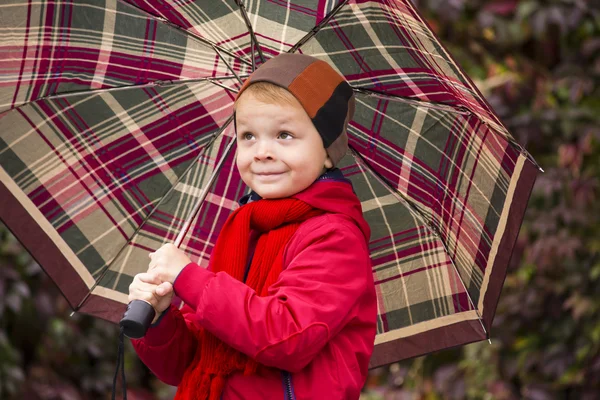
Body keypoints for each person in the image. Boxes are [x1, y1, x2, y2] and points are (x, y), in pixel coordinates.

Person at [128, 53, 377, 400]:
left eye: (284, 135)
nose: (261, 152)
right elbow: (187, 365)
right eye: (248, 136)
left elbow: (286, 336)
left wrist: (190, 278)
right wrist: (159, 320)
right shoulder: (244, 229)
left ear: (327, 151)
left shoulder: (335, 237)